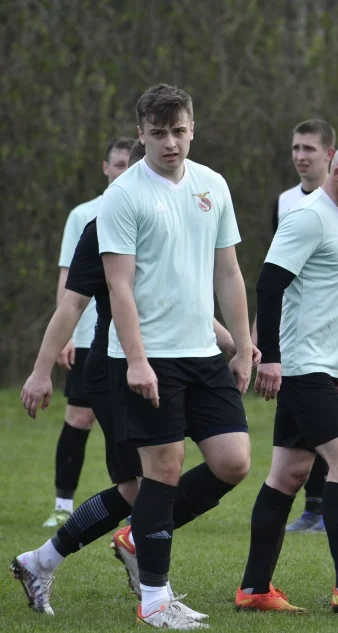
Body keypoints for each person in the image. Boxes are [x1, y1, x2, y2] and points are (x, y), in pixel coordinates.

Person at [12, 142, 252, 621]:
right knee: (147, 482)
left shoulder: (182, 204)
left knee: (161, 482)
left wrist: (233, 341)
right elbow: (72, 304)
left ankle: (43, 561)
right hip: (116, 367)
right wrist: (40, 371)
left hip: (184, 358)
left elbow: (180, 294)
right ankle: (152, 594)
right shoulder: (103, 224)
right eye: (121, 168)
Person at [98, 83, 254, 630]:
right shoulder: (123, 196)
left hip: (203, 353)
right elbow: (119, 287)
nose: (170, 143)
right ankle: (155, 601)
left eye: (179, 131)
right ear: (140, 133)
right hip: (149, 356)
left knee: (233, 461)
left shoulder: (213, 184)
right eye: (159, 133)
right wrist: (137, 360)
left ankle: (138, 537)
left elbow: (228, 272)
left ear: (193, 129)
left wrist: (243, 345)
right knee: (163, 469)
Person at [235, 136, 338, 614]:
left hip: (319, 365)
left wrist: (337, 358)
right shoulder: (307, 216)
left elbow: (325, 293)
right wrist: (270, 357)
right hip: (300, 368)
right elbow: (270, 283)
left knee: (288, 475)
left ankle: (254, 589)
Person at [43, 137, 135, 528]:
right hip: (88, 337)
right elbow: (68, 280)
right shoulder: (84, 215)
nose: (123, 172)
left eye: (129, 165)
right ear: (105, 167)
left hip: (131, 339)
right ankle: (63, 503)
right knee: (79, 418)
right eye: (118, 164)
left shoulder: (145, 209)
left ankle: (133, 499)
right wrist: (65, 337)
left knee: (128, 423)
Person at [261, 118, 337, 534]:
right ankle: (312, 508)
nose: (300, 156)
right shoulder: (285, 202)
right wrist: (257, 335)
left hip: (335, 326)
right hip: (294, 330)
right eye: (295, 148)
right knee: (307, 422)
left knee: (331, 421)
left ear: (330, 154)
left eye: (309, 148)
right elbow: (274, 275)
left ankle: (323, 509)